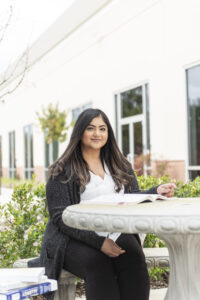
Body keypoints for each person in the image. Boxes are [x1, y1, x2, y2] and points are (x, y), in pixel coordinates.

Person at [32, 108, 176, 300]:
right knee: (98, 263)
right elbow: (60, 218)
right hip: (72, 237)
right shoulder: (62, 169)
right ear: (80, 131)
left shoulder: (120, 164)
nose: (97, 133)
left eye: (102, 128)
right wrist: (99, 243)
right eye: (91, 128)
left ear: (108, 133)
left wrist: (155, 192)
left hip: (113, 230)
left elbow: (132, 196)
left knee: (134, 259)